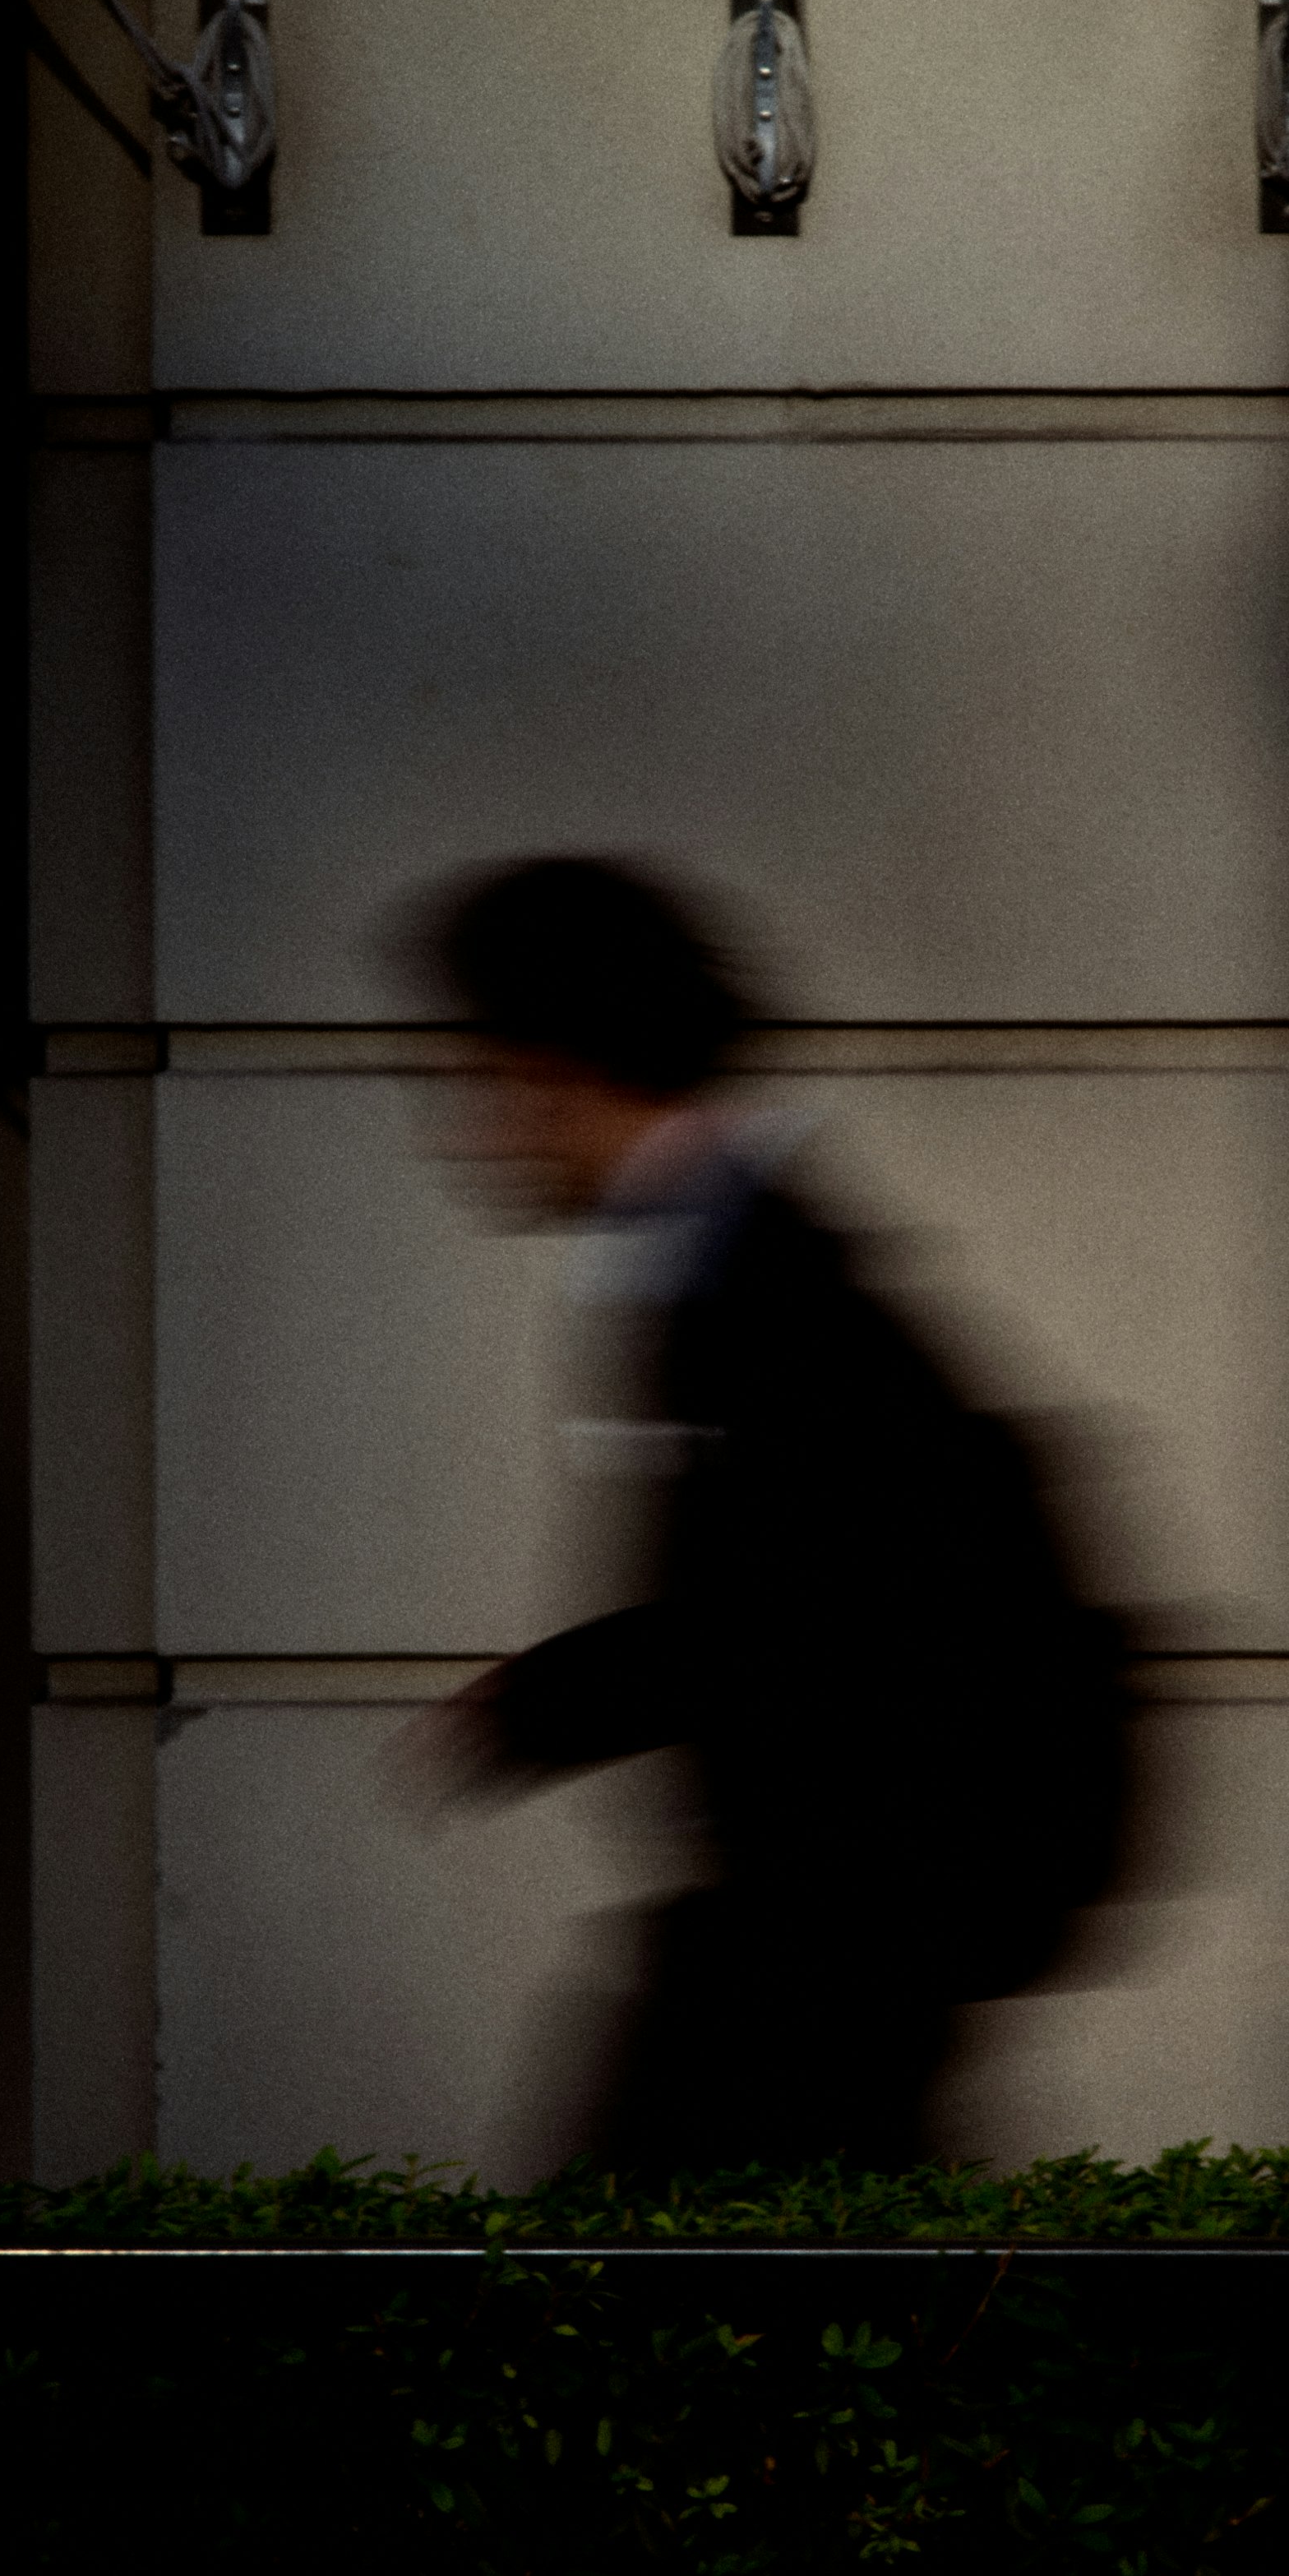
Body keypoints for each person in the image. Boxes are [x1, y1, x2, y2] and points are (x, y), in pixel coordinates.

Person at [405, 856, 1126, 2171]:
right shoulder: (729, 1258)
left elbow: (796, 1603)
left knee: (612, 2306)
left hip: (833, 1922)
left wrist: (555, 1701)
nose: (461, 1125)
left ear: (552, 1064)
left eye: (472, 1075)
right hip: (839, 1925)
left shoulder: (757, 1287)